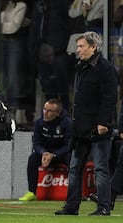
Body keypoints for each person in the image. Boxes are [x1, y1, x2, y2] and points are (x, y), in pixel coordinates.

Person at [55, 31, 118, 216]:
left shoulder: (105, 68)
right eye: (78, 46)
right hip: (80, 127)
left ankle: (104, 207)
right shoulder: (81, 66)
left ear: (94, 47)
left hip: (98, 127)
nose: (78, 50)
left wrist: (103, 122)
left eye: (82, 46)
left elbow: (110, 97)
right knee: (74, 168)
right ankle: (71, 207)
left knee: (100, 168)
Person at [18, 98, 72, 201]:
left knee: (72, 158)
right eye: (44, 109)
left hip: (61, 154)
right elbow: (37, 143)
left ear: (58, 113)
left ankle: (73, 193)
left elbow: (68, 145)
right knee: (33, 158)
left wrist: (54, 155)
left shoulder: (67, 123)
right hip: (46, 154)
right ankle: (31, 192)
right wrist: (44, 153)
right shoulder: (39, 122)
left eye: (49, 111)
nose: (45, 113)